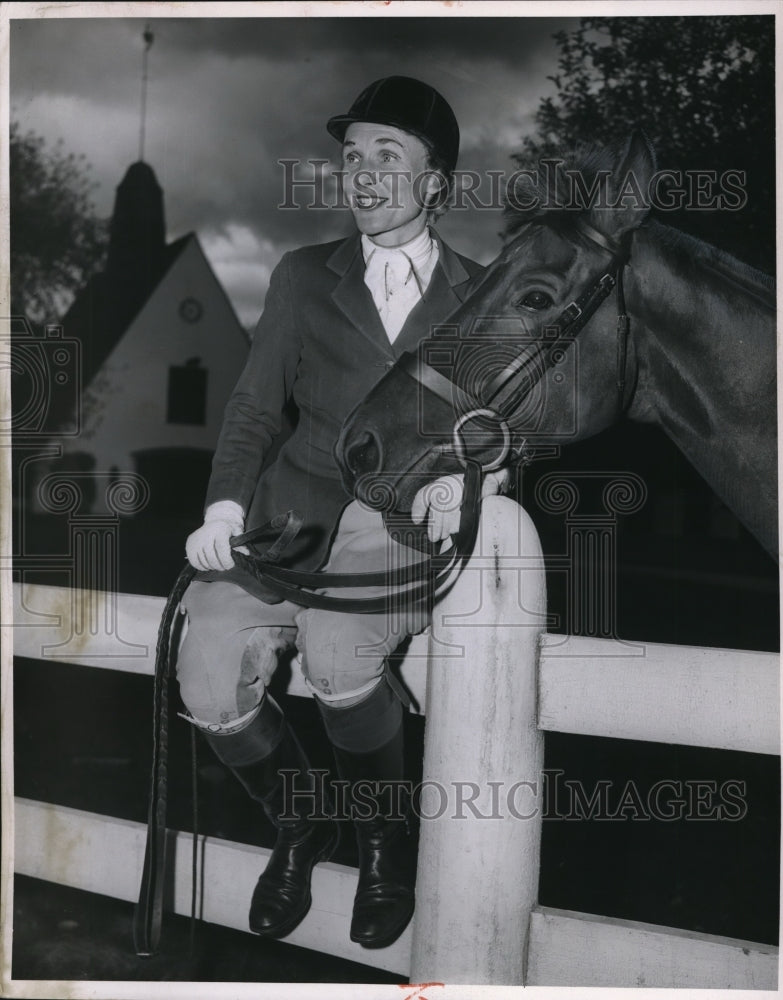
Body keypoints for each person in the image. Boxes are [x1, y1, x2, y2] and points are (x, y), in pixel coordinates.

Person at [179, 76, 507, 950]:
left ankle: (382, 838)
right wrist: (221, 507)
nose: (361, 173)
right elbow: (252, 411)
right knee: (205, 672)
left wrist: (473, 478)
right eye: (351, 156)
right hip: (287, 520)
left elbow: (497, 429)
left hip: (392, 518)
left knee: (338, 651)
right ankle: (302, 822)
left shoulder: (482, 297)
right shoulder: (298, 275)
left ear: (435, 180)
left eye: (385, 154)